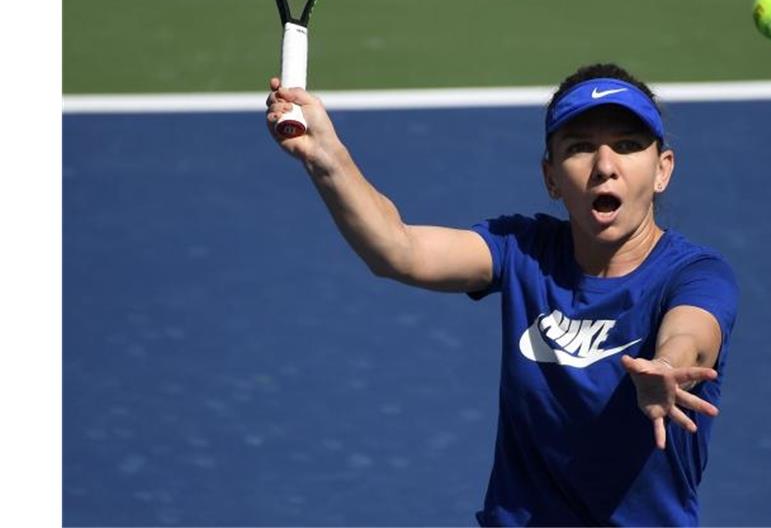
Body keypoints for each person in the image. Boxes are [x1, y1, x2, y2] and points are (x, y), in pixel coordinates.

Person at [265, 62, 739, 526]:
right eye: (580, 148)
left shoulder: (695, 274)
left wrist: (666, 369)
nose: (605, 166)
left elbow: (691, 332)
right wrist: (325, 155)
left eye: (628, 145)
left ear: (662, 170)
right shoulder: (522, 251)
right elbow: (399, 249)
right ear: (551, 177)